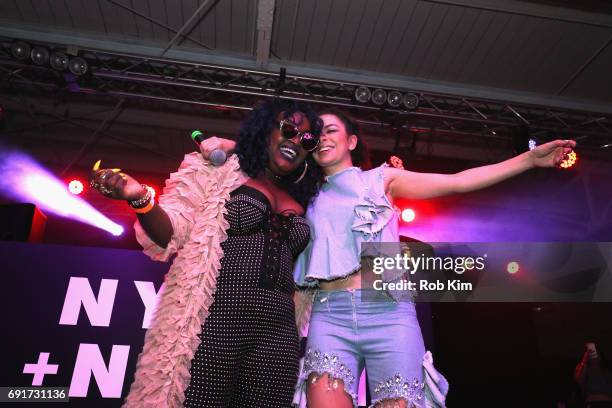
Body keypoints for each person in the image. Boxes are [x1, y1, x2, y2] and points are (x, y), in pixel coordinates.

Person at [291, 110, 577, 408]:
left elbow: (458, 182)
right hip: (330, 320)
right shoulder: (301, 195)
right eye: (317, 132)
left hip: (388, 315)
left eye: (332, 130)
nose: (323, 137)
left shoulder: (381, 179)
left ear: (351, 141)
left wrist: (529, 160)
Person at [89, 98, 324, 408]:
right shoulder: (218, 170)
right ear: (267, 130)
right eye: (289, 129)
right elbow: (170, 232)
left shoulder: (309, 198)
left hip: (277, 331)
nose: (296, 140)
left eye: (307, 139)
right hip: (216, 319)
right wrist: (139, 199)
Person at [575, 342, 612, 408]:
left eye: (595, 352)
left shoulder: (607, 371)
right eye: (591, 353)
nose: (594, 355)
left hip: (608, 403)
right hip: (591, 403)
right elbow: (579, 380)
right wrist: (585, 360)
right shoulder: (582, 368)